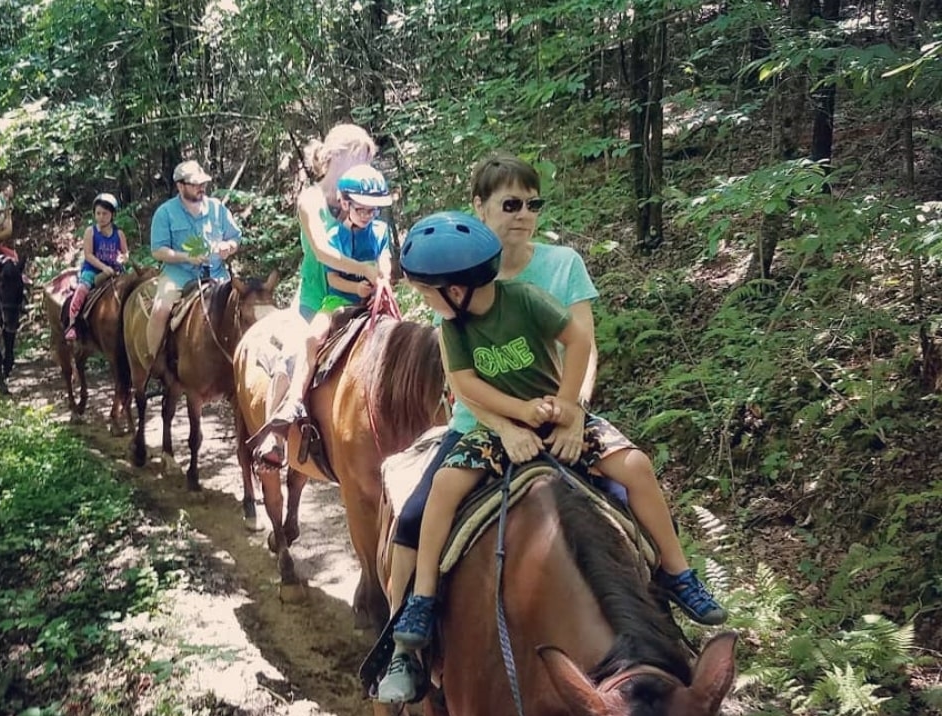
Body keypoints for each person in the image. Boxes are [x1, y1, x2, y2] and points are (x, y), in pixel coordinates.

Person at [376, 207, 726, 703]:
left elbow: (578, 339)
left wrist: (567, 406)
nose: (423, 300)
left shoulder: (525, 300)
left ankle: (676, 572)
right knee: (440, 492)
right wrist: (515, 414)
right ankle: (420, 607)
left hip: (555, 420)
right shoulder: (452, 328)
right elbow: (468, 386)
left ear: (456, 290)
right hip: (494, 430)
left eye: (426, 291)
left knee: (636, 467)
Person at [252, 163, 394, 473]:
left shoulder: (381, 231)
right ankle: (294, 400)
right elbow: (333, 280)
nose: (369, 215)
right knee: (311, 337)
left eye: (373, 210)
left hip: (375, 303)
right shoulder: (334, 235)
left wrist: (382, 274)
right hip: (337, 303)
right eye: (362, 209)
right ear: (345, 204)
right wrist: (356, 284)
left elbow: (385, 259)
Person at [147, 160, 241, 360]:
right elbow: (157, 251)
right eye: (195, 184)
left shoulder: (217, 208)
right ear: (180, 186)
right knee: (160, 309)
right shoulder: (165, 212)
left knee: (244, 305)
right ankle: (153, 361)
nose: (201, 187)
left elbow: (235, 237)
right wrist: (186, 257)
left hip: (217, 273)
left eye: (203, 183)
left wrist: (229, 247)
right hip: (178, 274)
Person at [65, 193, 130, 340]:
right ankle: (72, 323)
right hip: (93, 270)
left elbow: (125, 254)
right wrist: (103, 267)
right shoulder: (91, 232)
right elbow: (89, 255)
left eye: (105, 213)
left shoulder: (119, 234)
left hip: (115, 270)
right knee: (81, 290)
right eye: (98, 213)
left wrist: (122, 260)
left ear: (112, 215)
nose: (101, 217)